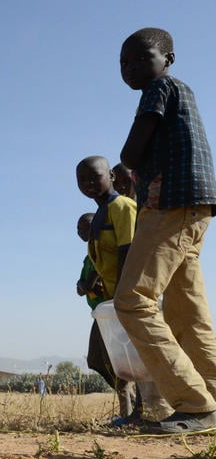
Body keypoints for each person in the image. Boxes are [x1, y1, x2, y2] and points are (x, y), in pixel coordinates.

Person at [115, 27, 216, 434]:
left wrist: (129, 165)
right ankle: (210, 394)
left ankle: (194, 403)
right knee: (185, 310)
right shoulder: (184, 93)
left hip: (170, 206)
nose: (131, 67)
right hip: (195, 208)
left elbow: (130, 151)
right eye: (124, 63)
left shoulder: (160, 90)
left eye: (141, 58)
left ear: (168, 59)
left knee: (133, 300)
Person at [74, 158, 139, 423]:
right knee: (101, 359)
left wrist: (124, 294)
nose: (89, 184)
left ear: (111, 175)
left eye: (94, 177)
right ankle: (135, 409)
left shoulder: (123, 206)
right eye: (82, 181)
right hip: (110, 305)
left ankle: (144, 411)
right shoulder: (102, 213)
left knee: (138, 359)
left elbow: (129, 251)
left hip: (127, 298)